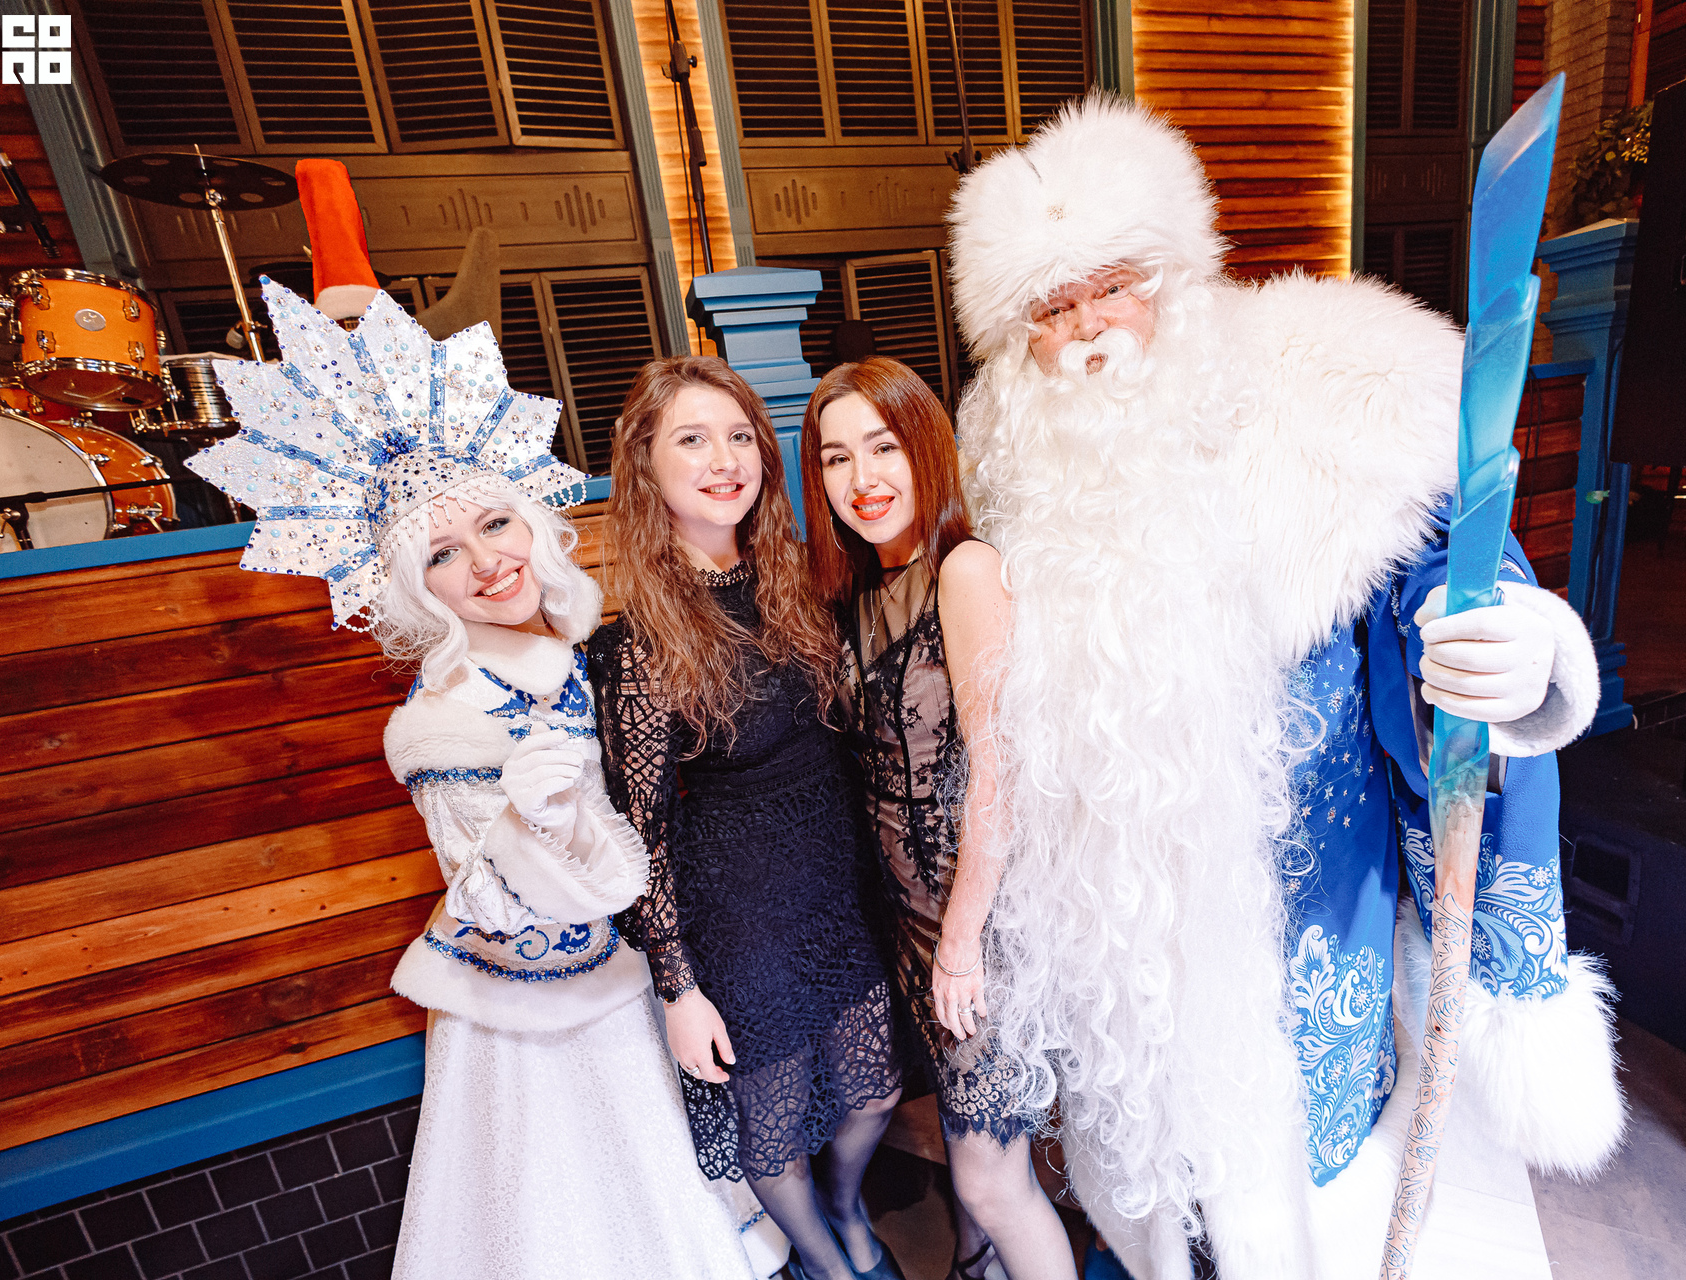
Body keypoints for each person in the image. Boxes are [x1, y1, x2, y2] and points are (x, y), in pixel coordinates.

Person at [945, 96, 1626, 1278]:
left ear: (1174, 279)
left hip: (1304, 945)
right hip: (1130, 971)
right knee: (1164, 1213)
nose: (1089, 327)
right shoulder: (1022, 478)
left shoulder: (1321, 409)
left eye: (1114, 284)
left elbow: (1448, 564)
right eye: (1051, 308)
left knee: (1304, 1220)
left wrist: (1518, 647)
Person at [186, 283, 766, 1278]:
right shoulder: (440, 724)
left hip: (622, 975)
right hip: (539, 1013)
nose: (488, 562)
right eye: (444, 555)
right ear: (414, 588)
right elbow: (507, 898)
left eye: (496, 524)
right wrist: (542, 824)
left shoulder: (571, 647)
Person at [587, 356, 907, 1280]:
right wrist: (677, 988)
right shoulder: (639, 644)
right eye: (692, 439)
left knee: (877, 1094)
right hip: (741, 917)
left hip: (838, 892)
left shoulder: (802, 583)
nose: (724, 459)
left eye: (739, 437)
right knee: (773, 1133)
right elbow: (641, 831)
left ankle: (844, 1209)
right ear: (646, 466)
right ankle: (831, 1265)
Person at [801, 358, 1079, 1280]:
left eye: (883, 447)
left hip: (979, 925)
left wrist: (959, 943)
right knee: (974, 1164)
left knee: (993, 1182)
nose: (863, 478)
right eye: (836, 457)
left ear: (926, 448)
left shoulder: (965, 570)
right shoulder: (858, 593)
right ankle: (974, 1266)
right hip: (908, 925)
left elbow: (998, 769)